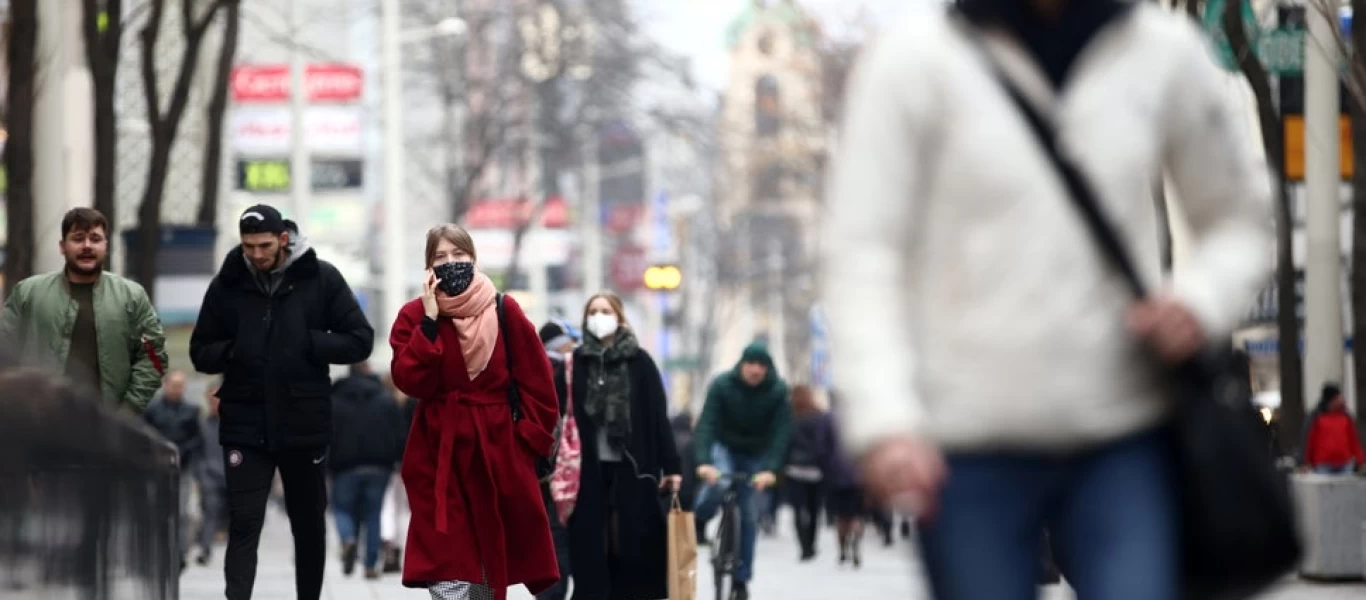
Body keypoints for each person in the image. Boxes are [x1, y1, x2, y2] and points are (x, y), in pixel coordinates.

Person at [821, 1, 1274, 599]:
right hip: (967, 443)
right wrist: (884, 420)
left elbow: (1238, 218)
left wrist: (1199, 300)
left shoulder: (1162, 52)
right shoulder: (914, 65)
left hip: (1123, 432)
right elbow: (863, 254)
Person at [189, 204, 374, 600]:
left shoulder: (321, 278)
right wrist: (235, 352)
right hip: (244, 421)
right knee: (244, 521)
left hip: (304, 420)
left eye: (265, 245)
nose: (256, 254)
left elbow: (361, 339)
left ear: (283, 239)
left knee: (308, 525)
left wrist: (310, 342)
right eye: (248, 246)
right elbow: (200, 350)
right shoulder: (228, 284)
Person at [388, 223, 560, 599]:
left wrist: (527, 444)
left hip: (497, 449)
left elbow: (539, 384)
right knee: (446, 556)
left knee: (487, 554)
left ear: (474, 258)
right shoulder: (414, 316)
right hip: (439, 453)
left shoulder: (505, 309)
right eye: (441, 257)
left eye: (459, 255)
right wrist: (430, 323)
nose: (451, 263)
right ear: (428, 266)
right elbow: (408, 380)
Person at [563, 291, 682, 600]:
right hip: (587, 470)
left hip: (634, 467)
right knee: (590, 547)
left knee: (633, 548)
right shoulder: (575, 363)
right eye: (593, 312)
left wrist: (672, 467)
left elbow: (658, 417)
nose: (599, 317)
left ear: (619, 318)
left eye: (605, 311)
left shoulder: (640, 362)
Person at [0, 207, 166, 412]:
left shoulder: (131, 296)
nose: (87, 246)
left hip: (107, 426)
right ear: (63, 246)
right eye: (78, 238)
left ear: (106, 245)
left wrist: (128, 410)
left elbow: (153, 358)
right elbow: (4, 350)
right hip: (40, 420)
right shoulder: (28, 293)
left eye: (95, 239)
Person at [693, 342, 793, 600]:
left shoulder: (778, 392)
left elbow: (781, 433)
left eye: (762, 366)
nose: (756, 370)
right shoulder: (721, 385)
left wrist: (772, 470)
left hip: (755, 454)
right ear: (741, 364)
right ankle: (701, 518)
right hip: (724, 446)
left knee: (748, 515)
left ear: (768, 369)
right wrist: (704, 461)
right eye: (751, 364)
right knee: (718, 482)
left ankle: (741, 579)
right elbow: (708, 423)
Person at [330, 362, 405, 579]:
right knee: (374, 514)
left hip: (344, 466)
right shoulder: (385, 399)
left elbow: (328, 435)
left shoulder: (335, 400)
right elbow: (398, 434)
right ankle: (370, 565)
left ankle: (348, 539)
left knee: (342, 509)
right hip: (379, 466)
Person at [143, 370, 206, 570]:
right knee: (157, 510)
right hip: (157, 469)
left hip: (182, 469)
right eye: (174, 385)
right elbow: (144, 432)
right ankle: (157, 550)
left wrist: (185, 452)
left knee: (182, 512)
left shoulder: (191, 410)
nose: (178, 389)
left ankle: (179, 552)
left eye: (181, 385)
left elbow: (198, 439)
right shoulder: (152, 410)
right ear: (166, 385)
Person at [535, 318, 578, 600]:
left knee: (551, 542)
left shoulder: (533, 369)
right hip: (568, 468)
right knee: (562, 540)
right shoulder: (565, 371)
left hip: (544, 470)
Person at [783, 384, 829, 561]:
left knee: (798, 509)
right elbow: (823, 443)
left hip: (794, 468)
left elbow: (785, 442)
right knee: (814, 509)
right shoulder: (818, 416)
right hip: (815, 469)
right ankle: (811, 544)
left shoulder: (788, 417)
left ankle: (804, 547)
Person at [822, 391, 866, 568]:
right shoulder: (863, 417)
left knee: (841, 516)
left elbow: (820, 447)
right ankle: (856, 538)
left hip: (836, 474)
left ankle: (842, 550)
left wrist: (825, 468)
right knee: (858, 514)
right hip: (860, 473)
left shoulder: (828, 419)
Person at [380, 372, 418, 574]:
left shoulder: (383, 403)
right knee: (405, 509)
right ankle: (402, 551)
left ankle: (389, 545)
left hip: (388, 463)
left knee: (388, 506)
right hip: (412, 462)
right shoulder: (415, 403)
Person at [196, 383, 229, 566]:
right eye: (212, 399)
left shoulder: (236, 424)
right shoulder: (201, 424)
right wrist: (199, 474)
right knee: (210, 513)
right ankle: (205, 550)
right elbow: (196, 451)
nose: (215, 402)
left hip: (232, 476)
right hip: (209, 476)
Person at [1303, 384, 1365, 475]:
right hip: (1323, 464)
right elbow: (1310, 441)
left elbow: (1354, 441)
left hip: (1344, 463)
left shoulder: (1346, 418)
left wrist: (1361, 461)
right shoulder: (1317, 418)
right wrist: (1307, 462)